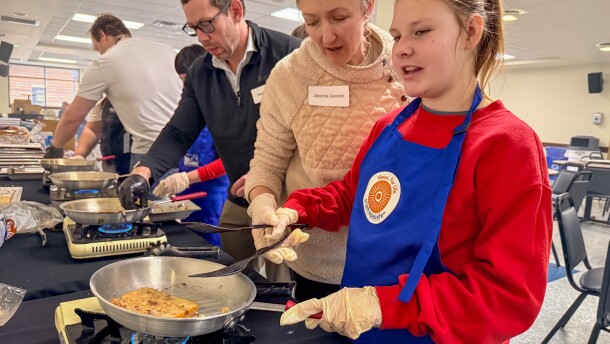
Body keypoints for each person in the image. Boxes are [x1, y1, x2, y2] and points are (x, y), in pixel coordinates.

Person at [271, 0, 553, 342]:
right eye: (397, 35)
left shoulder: (507, 145)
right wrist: (295, 211)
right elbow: (352, 195)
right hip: (360, 331)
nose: (402, 49)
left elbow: (509, 298)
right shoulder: (389, 127)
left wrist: (382, 305)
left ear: (472, 32)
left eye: (421, 32)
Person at [118, 0, 301, 266]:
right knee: (235, 265)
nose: (202, 38)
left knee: (282, 273)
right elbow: (179, 131)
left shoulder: (289, 54)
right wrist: (143, 173)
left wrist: (265, 173)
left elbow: (315, 133)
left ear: (235, 11)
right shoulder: (200, 73)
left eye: (207, 25)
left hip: (289, 198)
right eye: (193, 29)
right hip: (240, 195)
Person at [245, 0, 408, 292]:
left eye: (339, 17)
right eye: (312, 22)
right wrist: (262, 204)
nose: (326, 36)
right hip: (317, 261)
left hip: (392, 256)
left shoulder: (403, 62)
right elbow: (267, 161)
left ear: (367, 7)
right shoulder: (290, 77)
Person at [44, 13, 182, 171]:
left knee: (149, 196)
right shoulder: (167, 51)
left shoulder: (107, 61)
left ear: (103, 35)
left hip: (150, 153)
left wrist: (55, 148)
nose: (100, 53)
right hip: (185, 148)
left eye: (97, 48)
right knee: (177, 197)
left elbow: (72, 117)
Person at [153, 44, 229, 247]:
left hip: (213, 199)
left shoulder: (224, 111)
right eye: (183, 82)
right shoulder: (190, 111)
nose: (188, 88)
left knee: (212, 249)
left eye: (189, 81)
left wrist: (188, 178)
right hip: (187, 198)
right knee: (189, 245)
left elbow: (228, 162)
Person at [74, 98, 132, 175]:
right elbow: (93, 129)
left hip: (140, 161)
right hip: (110, 162)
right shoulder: (102, 99)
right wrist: (79, 157)